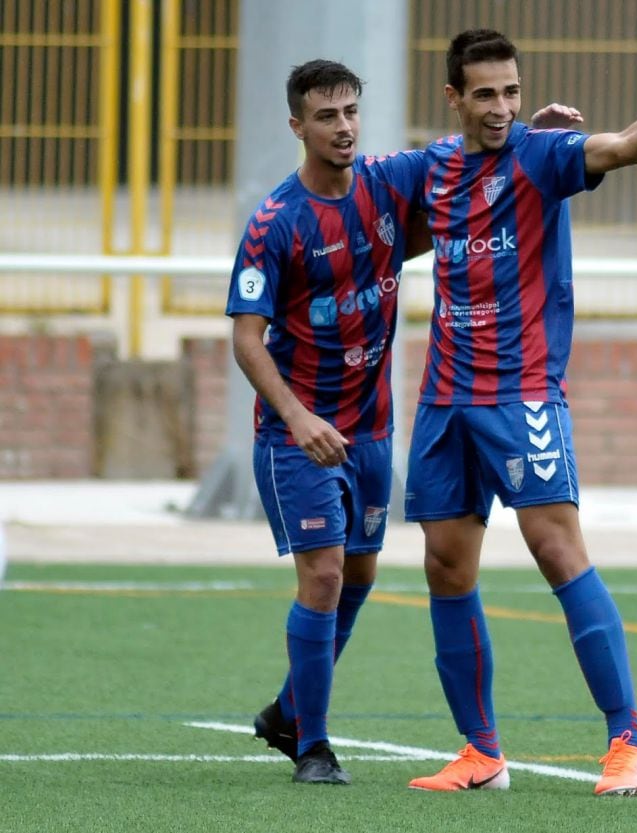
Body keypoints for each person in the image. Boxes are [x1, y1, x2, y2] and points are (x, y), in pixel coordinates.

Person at [228, 59, 587, 786]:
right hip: (298, 435)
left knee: (358, 572)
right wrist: (296, 417)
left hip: (372, 425)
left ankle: (290, 707)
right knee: (325, 572)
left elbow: (462, 211)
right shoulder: (275, 222)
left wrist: (527, 148)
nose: (344, 127)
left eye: (351, 111)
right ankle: (314, 746)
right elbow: (244, 336)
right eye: (326, 117)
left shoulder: (385, 189)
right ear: (298, 126)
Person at [403, 29, 637, 796]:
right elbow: (385, 213)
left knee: (557, 550)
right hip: (444, 398)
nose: (501, 107)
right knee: (446, 566)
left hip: (522, 394)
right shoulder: (431, 169)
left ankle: (630, 742)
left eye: (510, 92)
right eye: (485, 93)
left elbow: (616, 148)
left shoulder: (541, 155)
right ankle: (480, 751)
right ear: (453, 97)